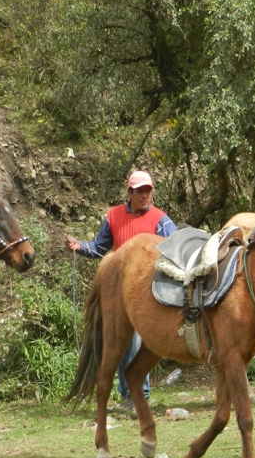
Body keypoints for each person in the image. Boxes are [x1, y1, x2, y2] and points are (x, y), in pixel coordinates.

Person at [65, 171, 175, 410]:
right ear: (130, 193)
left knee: (139, 343)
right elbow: (99, 247)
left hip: (147, 292)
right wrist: (79, 247)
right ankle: (127, 396)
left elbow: (175, 249)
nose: (144, 195)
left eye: (148, 191)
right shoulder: (114, 216)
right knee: (121, 344)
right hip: (120, 289)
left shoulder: (161, 220)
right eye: (140, 191)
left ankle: (138, 395)